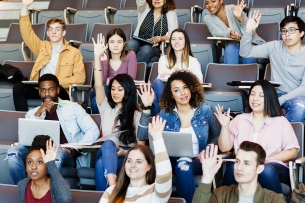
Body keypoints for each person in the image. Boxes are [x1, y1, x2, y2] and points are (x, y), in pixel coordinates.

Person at [6, 74, 100, 185]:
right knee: (13, 154)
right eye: (43, 90)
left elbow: (93, 130)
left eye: (51, 89)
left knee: (55, 156)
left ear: (58, 90)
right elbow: (25, 138)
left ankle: (47, 197)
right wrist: (38, 114)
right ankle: (24, 192)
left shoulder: (73, 108)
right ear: (39, 92)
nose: (47, 94)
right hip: (38, 152)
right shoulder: (33, 113)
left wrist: (74, 148)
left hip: (64, 153)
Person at [92, 33, 155, 191]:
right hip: (106, 151)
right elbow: (99, 85)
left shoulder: (136, 114)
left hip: (126, 157)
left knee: (101, 165)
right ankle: (113, 189)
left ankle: (107, 198)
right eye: (113, 89)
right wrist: (97, 57)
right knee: (108, 144)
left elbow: (140, 146)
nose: (115, 92)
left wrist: (124, 153)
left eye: (120, 89)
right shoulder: (106, 107)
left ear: (127, 91)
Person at [215, 80, 299, 194]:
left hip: (273, 166)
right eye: (252, 94)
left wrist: (266, 160)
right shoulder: (240, 119)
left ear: (269, 98)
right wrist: (225, 127)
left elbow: (292, 151)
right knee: (232, 168)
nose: (255, 99)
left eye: (261, 95)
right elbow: (224, 148)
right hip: (246, 165)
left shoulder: (281, 122)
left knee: (266, 170)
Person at [159, 71, 221, 203]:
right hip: (171, 159)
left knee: (183, 164)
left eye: (185, 87)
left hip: (199, 160)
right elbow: (151, 139)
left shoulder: (206, 110)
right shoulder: (165, 114)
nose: (182, 93)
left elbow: (218, 136)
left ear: (191, 88)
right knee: (154, 165)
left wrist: (207, 150)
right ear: (171, 95)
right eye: (176, 90)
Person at [13, 0, 85, 111]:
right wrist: (24, 7)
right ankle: (24, 120)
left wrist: (54, 82)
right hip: (40, 89)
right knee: (18, 88)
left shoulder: (74, 52)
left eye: (57, 29)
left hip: (58, 90)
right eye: (51, 29)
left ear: (63, 32)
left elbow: (80, 78)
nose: (54, 32)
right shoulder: (42, 47)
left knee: (57, 89)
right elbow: (27, 34)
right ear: (47, 33)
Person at [240, 11, 305, 122]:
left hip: (295, 96)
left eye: (292, 30)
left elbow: (304, 89)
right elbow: (245, 53)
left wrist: (282, 99)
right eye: (284, 31)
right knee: (253, 101)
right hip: (274, 93)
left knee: (300, 107)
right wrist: (248, 31)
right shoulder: (274, 46)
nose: (287, 34)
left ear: (302, 33)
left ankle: (279, 135)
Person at [99, 116, 172, 203]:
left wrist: (157, 138)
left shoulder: (155, 192)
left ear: (149, 166)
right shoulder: (111, 191)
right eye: (129, 161)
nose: (132, 165)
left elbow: (165, 176)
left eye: (139, 161)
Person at [192, 142, 286, 203]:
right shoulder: (220, 195)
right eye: (237, 161)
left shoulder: (274, 200)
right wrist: (207, 177)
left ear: (259, 169)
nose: (239, 168)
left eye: (247, 163)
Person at [151, 29, 203, 116]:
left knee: (154, 96)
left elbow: (199, 80)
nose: (176, 42)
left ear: (185, 42)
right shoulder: (163, 59)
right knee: (156, 87)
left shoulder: (193, 61)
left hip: (182, 93)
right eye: (173, 39)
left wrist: (171, 75)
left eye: (180, 39)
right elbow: (160, 78)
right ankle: (168, 114)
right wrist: (184, 76)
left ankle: (164, 116)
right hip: (166, 91)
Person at [90, 29, 137, 114]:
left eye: (119, 42)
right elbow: (102, 82)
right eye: (112, 42)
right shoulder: (103, 56)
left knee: (94, 101)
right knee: (101, 90)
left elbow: (130, 79)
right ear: (107, 44)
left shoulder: (130, 55)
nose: (115, 45)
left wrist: (111, 79)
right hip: (104, 93)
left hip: (122, 93)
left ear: (124, 44)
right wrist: (104, 62)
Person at [18, 135, 72, 203]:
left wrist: (51, 164)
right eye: (30, 162)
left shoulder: (57, 185)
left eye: (39, 162)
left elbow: (66, 199)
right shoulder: (22, 186)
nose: (34, 167)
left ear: (47, 165)